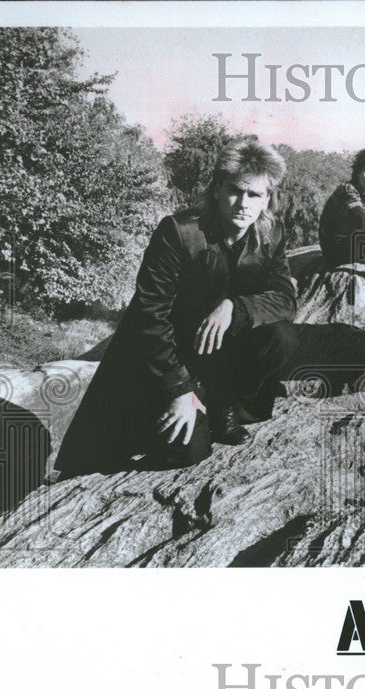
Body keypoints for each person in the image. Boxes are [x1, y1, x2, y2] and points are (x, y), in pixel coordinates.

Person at [55, 138, 299, 475]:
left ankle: (223, 406)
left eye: (254, 194)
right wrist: (179, 389)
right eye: (235, 191)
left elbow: (286, 299)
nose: (243, 203)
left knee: (282, 338)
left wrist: (235, 307)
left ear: (267, 199)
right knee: (187, 450)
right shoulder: (179, 232)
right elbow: (149, 315)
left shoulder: (271, 235)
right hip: (165, 358)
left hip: (218, 355)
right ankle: (172, 416)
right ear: (217, 190)